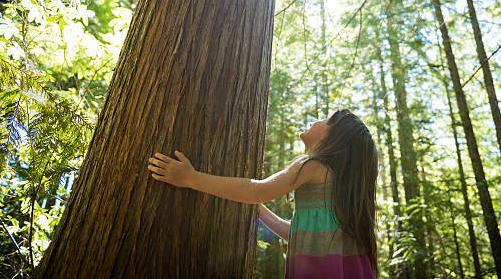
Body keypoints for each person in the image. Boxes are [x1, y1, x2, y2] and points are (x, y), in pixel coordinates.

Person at [147, 108, 378, 278]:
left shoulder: (311, 166)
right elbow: (300, 234)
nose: (316, 119)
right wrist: (261, 212)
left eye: (326, 119)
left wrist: (191, 178)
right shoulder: (338, 193)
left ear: (335, 139)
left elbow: (257, 190)